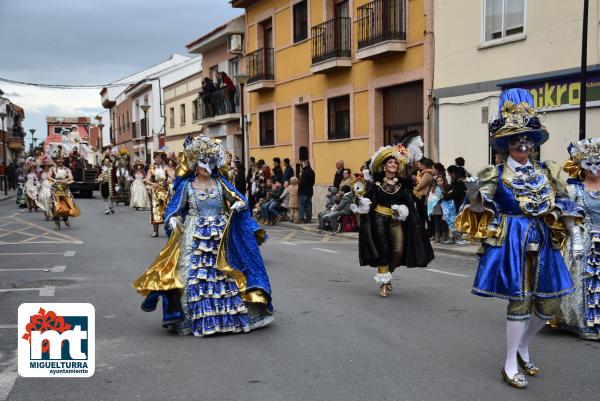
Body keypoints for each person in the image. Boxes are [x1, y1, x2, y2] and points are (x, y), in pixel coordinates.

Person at [455, 88, 584, 389]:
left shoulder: (546, 172)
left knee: (551, 304)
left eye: (528, 138)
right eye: (517, 139)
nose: (524, 144)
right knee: (520, 302)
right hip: (513, 241)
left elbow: (563, 203)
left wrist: (575, 234)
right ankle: (510, 360)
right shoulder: (495, 174)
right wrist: (474, 196)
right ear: (506, 144)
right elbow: (479, 207)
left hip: (544, 240)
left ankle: (524, 344)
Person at [133, 135, 273, 336]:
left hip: (219, 234)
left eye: (208, 163)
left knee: (224, 275)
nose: (205, 168)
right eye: (201, 164)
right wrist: (172, 219)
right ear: (194, 165)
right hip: (194, 233)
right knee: (193, 274)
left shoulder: (221, 183)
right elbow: (174, 210)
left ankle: (231, 317)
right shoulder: (186, 187)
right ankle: (190, 319)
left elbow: (240, 199)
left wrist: (239, 204)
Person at [352, 143, 434, 298]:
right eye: (390, 162)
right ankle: (383, 283)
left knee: (398, 251)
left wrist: (405, 210)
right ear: (383, 166)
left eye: (395, 162)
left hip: (396, 221)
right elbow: (365, 201)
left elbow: (409, 201)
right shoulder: (375, 184)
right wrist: (360, 201)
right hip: (379, 218)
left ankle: (386, 273)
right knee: (383, 249)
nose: (393, 164)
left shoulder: (403, 184)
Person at [553, 138, 600, 340]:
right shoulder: (574, 189)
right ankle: (584, 324)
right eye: (590, 163)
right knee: (584, 280)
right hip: (584, 238)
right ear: (581, 164)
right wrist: (577, 240)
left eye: (598, 163)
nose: (594, 168)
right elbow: (568, 216)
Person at [49, 148, 80, 230]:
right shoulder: (52, 168)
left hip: (64, 188)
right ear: (56, 159)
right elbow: (48, 176)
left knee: (69, 203)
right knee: (55, 205)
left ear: (63, 159)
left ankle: (66, 218)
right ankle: (56, 222)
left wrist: (65, 180)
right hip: (55, 189)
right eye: (58, 158)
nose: (59, 160)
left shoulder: (67, 169)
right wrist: (54, 180)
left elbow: (71, 177)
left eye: (61, 158)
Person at [145, 150, 169, 237]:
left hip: (165, 191)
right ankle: (155, 231)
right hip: (155, 192)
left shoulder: (166, 168)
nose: (158, 159)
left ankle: (168, 230)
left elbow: (171, 177)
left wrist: (168, 182)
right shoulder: (151, 168)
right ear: (154, 159)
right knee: (155, 210)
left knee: (166, 210)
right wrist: (152, 183)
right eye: (157, 157)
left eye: (160, 158)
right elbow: (146, 179)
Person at [442, 166, 468, 245]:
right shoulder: (456, 181)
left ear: (453, 173)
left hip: (459, 204)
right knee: (453, 221)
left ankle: (458, 238)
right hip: (456, 204)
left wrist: (445, 196)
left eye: (449, 174)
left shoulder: (459, 182)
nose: (449, 175)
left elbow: (455, 194)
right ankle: (453, 238)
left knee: (456, 221)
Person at [413, 157, 435, 232]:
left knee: (424, 215)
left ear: (424, 165)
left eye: (421, 164)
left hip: (424, 196)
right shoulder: (425, 173)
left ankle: (428, 231)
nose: (419, 166)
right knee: (423, 214)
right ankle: (426, 231)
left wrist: (414, 189)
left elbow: (420, 185)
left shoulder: (427, 174)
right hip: (422, 195)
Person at [36, 156, 54, 221]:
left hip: (50, 187)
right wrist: (38, 186)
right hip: (43, 188)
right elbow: (38, 180)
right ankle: (46, 215)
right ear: (43, 167)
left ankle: (51, 214)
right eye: (46, 166)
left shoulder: (52, 173)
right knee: (44, 201)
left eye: (48, 166)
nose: (47, 167)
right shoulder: (40, 173)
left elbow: (54, 179)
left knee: (50, 201)